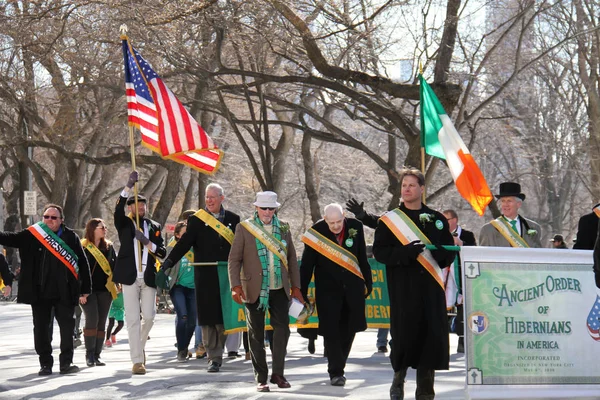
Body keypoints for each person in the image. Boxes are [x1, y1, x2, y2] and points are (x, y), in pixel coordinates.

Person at [372, 167, 456, 400]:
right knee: (404, 336)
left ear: (421, 188)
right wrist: (404, 253)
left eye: (411, 185)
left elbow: (448, 253)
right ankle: (398, 381)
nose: (407, 189)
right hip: (403, 288)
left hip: (430, 289)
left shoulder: (437, 219)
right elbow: (380, 252)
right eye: (404, 185)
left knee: (430, 337)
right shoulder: (390, 221)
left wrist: (441, 253)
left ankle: (426, 391)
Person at [0, 204, 91, 375]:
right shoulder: (33, 233)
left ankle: (66, 363)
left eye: (53, 218)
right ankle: (45, 363)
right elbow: (10, 238)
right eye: (46, 217)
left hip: (64, 290)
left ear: (61, 220)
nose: (49, 220)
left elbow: (82, 263)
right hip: (39, 290)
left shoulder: (70, 236)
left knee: (67, 327)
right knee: (41, 328)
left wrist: (85, 288)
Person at [228, 191, 303, 392]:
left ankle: (278, 373)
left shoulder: (284, 227)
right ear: (256, 208)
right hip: (253, 289)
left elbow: (292, 259)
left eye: (271, 208)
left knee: (282, 330)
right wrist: (235, 286)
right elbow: (234, 260)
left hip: (279, 288)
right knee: (256, 335)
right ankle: (261, 377)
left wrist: (296, 287)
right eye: (264, 208)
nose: (268, 212)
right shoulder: (244, 228)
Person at [161, 183, 240, 373]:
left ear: (222, 198)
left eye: (213, 197)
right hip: (204, 275)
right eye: (207, 197)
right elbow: (185, 244)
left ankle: (218, 350)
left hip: (226, 274)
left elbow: (240, 246)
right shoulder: (197, 220)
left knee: (222, 317)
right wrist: (169, 261)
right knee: (207, 317)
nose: (209, 200)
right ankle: (213, 356)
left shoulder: (234, 219)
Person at [300, 203, 372, 386]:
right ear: (325, 219)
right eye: (331, 223)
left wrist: (368, 283)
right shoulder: (316, 233)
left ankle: (339, 363)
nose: (335, 226)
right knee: (331, 331)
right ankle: (336, 371)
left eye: (339, 221)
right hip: (328, 290)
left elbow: (362, 256)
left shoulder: (355, 227)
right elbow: (307, 265)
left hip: (353, 288)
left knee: (349, 328)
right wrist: (301, 289)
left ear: (344, 216)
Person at [113, 171, 166, 375]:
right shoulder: (124, 223)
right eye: (136, 204)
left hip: (149, 277)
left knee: (150, 317)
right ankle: (137, 360)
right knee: (133, 319)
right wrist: (128, 185)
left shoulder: (154, 226)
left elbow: (161, 251)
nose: (141, 207)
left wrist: (147, 242)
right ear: (130, 207)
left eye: (143, 205)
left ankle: (139, 345)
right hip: (129, 277)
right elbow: (118, 208)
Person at [80, 218, 117, 367]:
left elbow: (115, 266)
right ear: (93, 229)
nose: (105, 229)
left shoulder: (109, 247)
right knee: (92, 319)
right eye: (102, 227)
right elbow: (77, 271)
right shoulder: (82, 246)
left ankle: (97, 354)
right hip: (87, 291)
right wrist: (80, 292)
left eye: (105, 227)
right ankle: (89, 354)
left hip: (105, 290)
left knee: (102, 321)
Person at [442, 209, 476, 354]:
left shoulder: (467, 234)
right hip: (445, 276)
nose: (444, 223)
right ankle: (442, 344)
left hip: (462, 276)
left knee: (463, 310)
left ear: (455, 220)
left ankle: (462, 342)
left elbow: (475, 251)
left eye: (447, 220)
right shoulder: (439, 235)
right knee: (442, 310)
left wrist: (461, 244)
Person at [164, 221, 197, 362]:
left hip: (194, 287)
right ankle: (181, 350)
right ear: (177, 235)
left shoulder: (196, 247)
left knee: (192, 321)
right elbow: (164, 267)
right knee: (182, 316)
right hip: (178, 287)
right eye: (184, 233)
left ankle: (184, 346)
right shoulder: (172, 249)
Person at [479, 182, 542, 248]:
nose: (505, 204)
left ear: (519, 204)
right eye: (503, 201)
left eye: (509, 201)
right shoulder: (488, 229)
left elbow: (537, 254)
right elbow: (483, 255)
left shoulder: (534, 227)